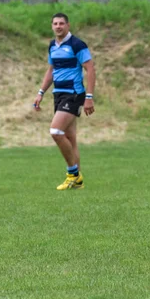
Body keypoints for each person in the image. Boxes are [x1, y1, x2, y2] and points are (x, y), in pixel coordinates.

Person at [33, 13, 95, 190]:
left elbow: (90, 69)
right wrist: (40, 93)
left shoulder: (77, 45)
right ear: (52, 26)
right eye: (55, 23)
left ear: (68, 25)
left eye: (61, 23)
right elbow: (51, 69)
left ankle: (72, 173)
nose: (58, 26)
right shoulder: (52, 45)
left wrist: (89, 97)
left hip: (74, 94)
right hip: (58, 94)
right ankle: (78, 182)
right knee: (70, 138)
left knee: (55, 130)